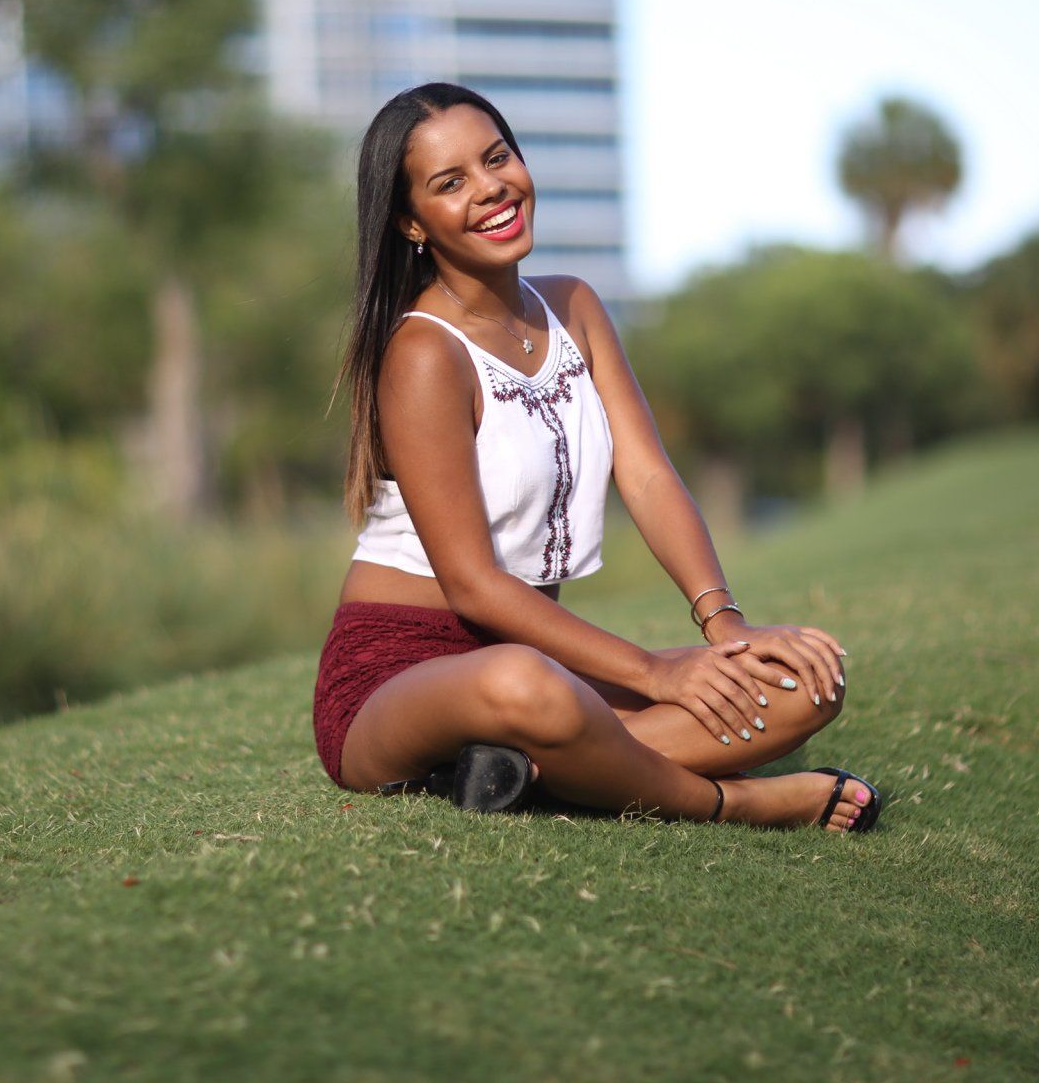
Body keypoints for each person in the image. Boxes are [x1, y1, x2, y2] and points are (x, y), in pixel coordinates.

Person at [311, 83, 879, 832]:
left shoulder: (573, 305)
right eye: (452, 183)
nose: (491, 189)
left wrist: (724, 627)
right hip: (401, 675)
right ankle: (734, 803)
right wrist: (653, 672)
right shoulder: (423, 354)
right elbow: (474, 587)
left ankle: (529, 771)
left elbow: (645, 474)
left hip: (537, 662)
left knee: (804, 680)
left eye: (497, 158)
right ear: (412, 221)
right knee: (524, 685)